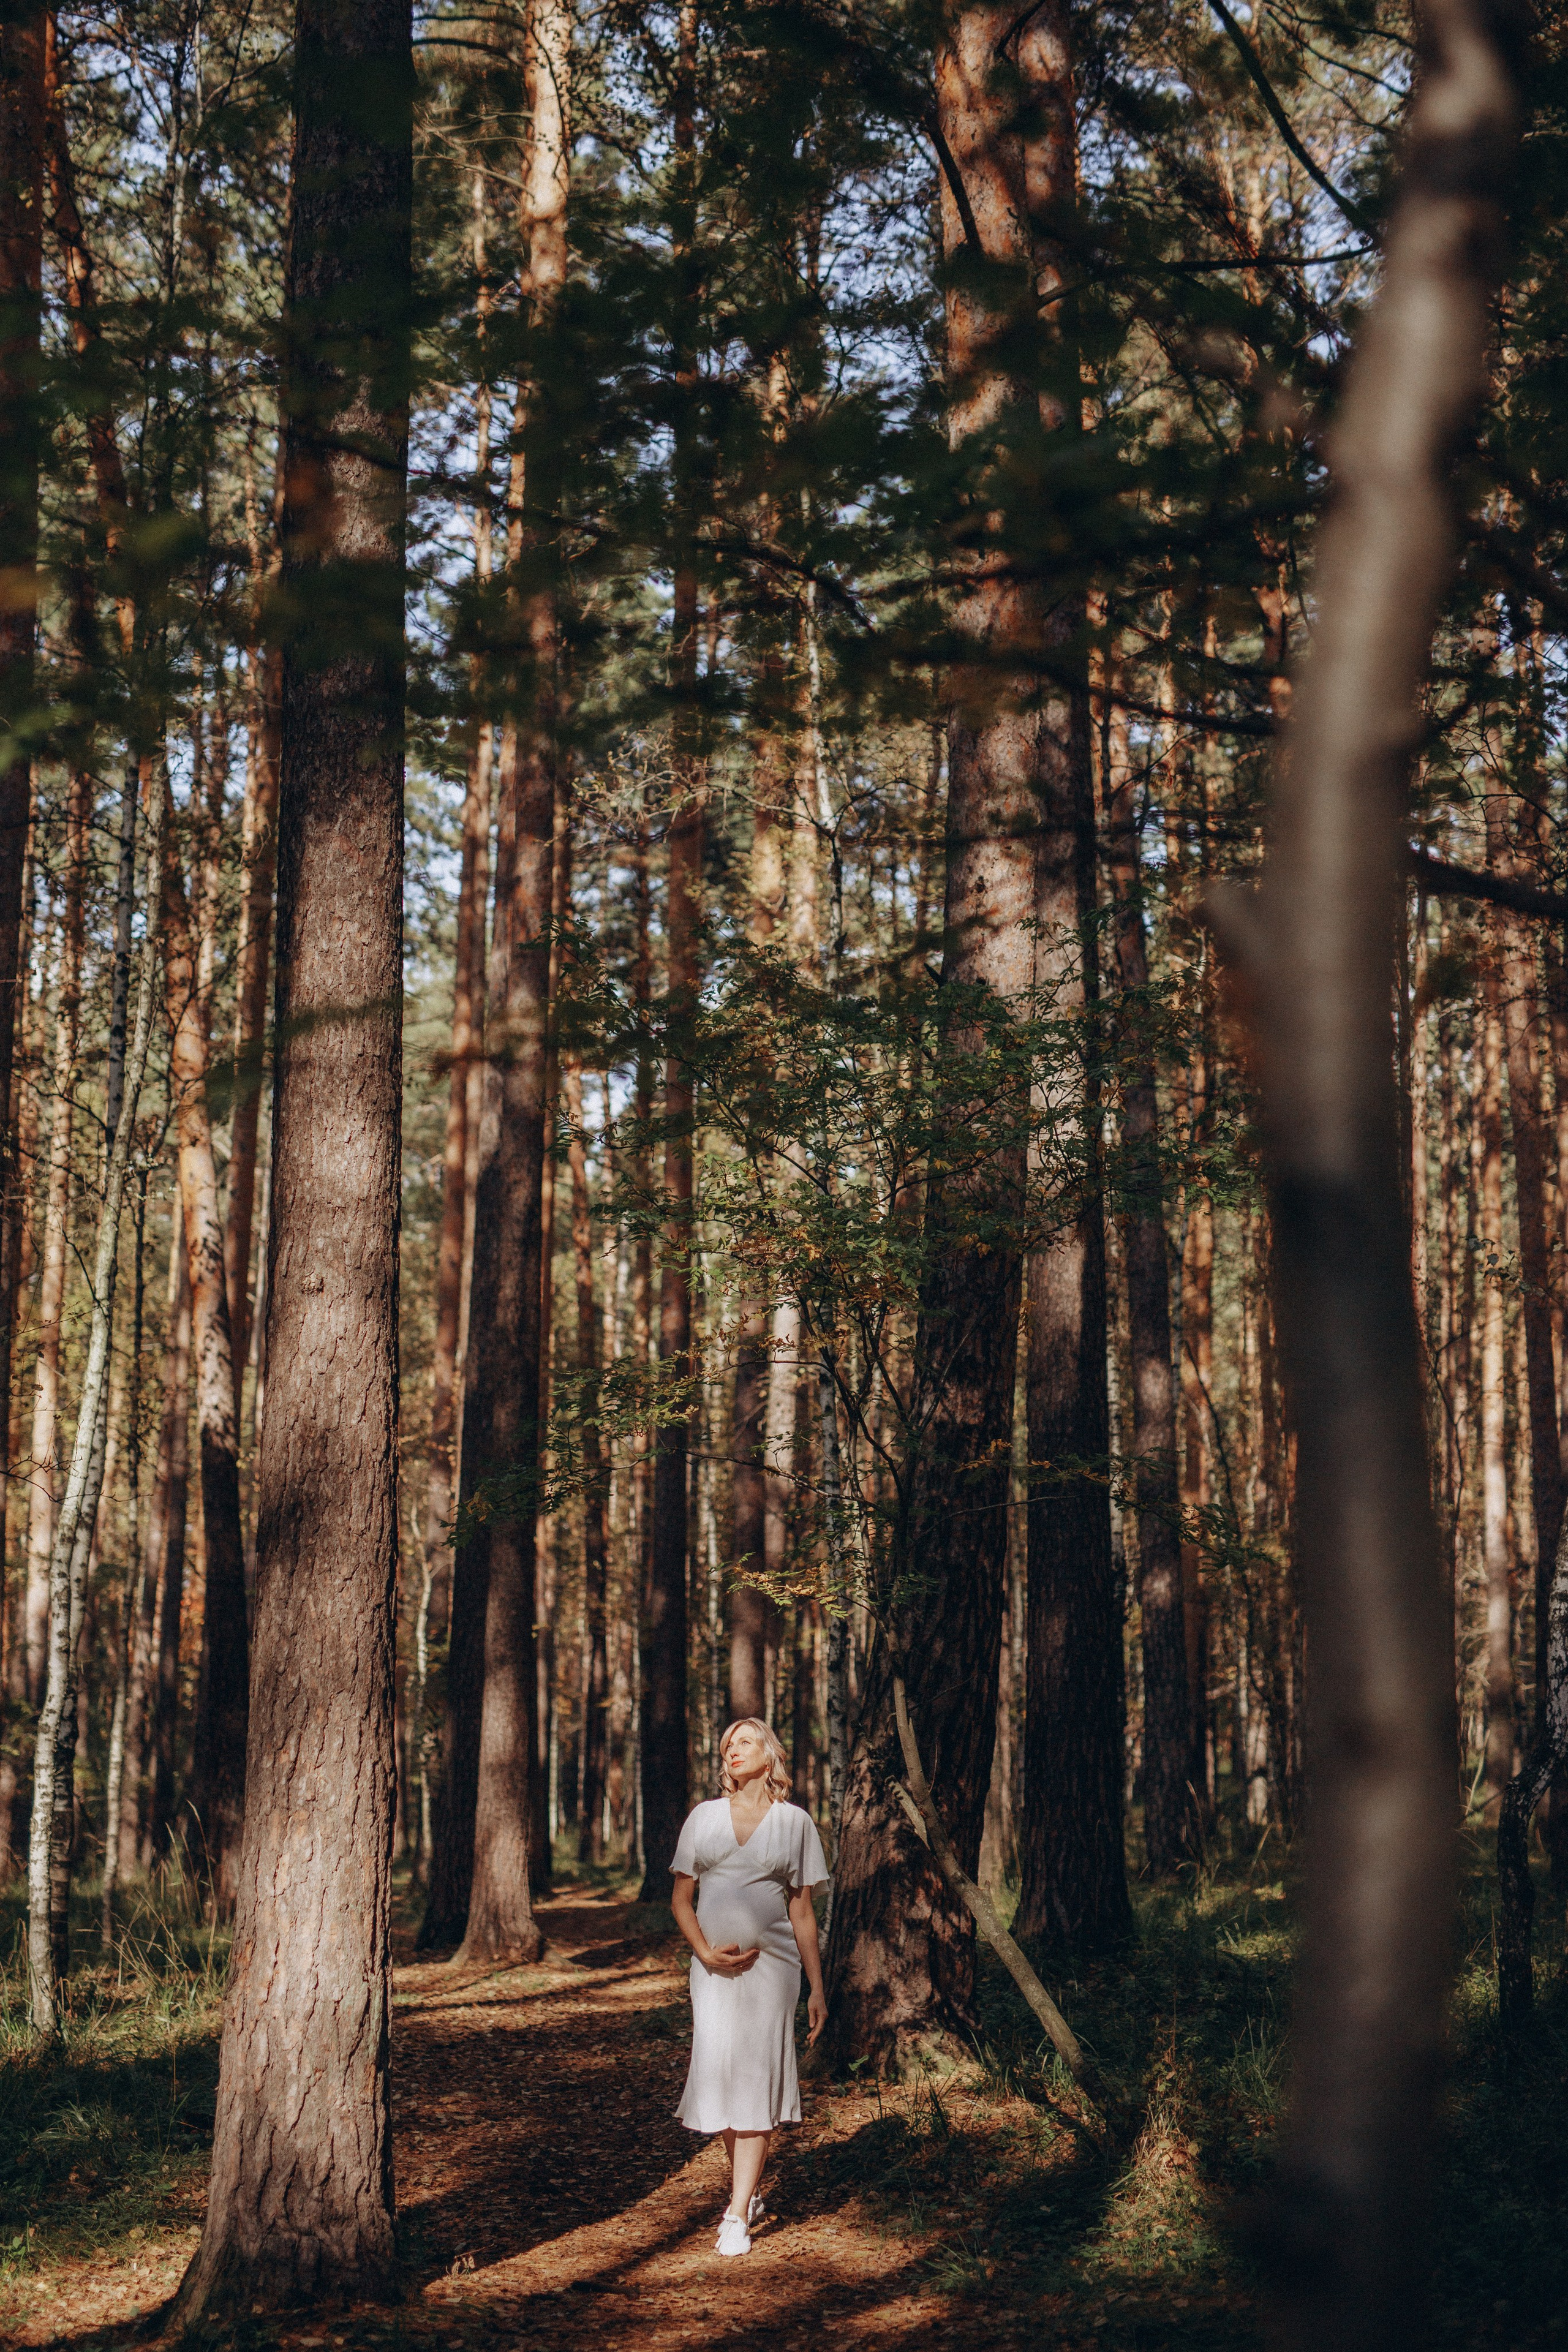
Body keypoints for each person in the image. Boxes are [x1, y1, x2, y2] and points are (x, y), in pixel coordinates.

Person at [669, 1716, 829, 2258]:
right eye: (726, 1745)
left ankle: (736, 2214)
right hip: (711, 1971)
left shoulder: (795, 1823)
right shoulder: (704, 1817)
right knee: (719, 2078)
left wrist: (817, 1986)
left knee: (758, 2078)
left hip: (774, 1969)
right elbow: (681, 1900)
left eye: (744, 1741)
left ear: (769, 1752)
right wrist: (703, 1951)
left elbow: (802, 1912)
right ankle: (751, 2189)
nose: (733, 1751)